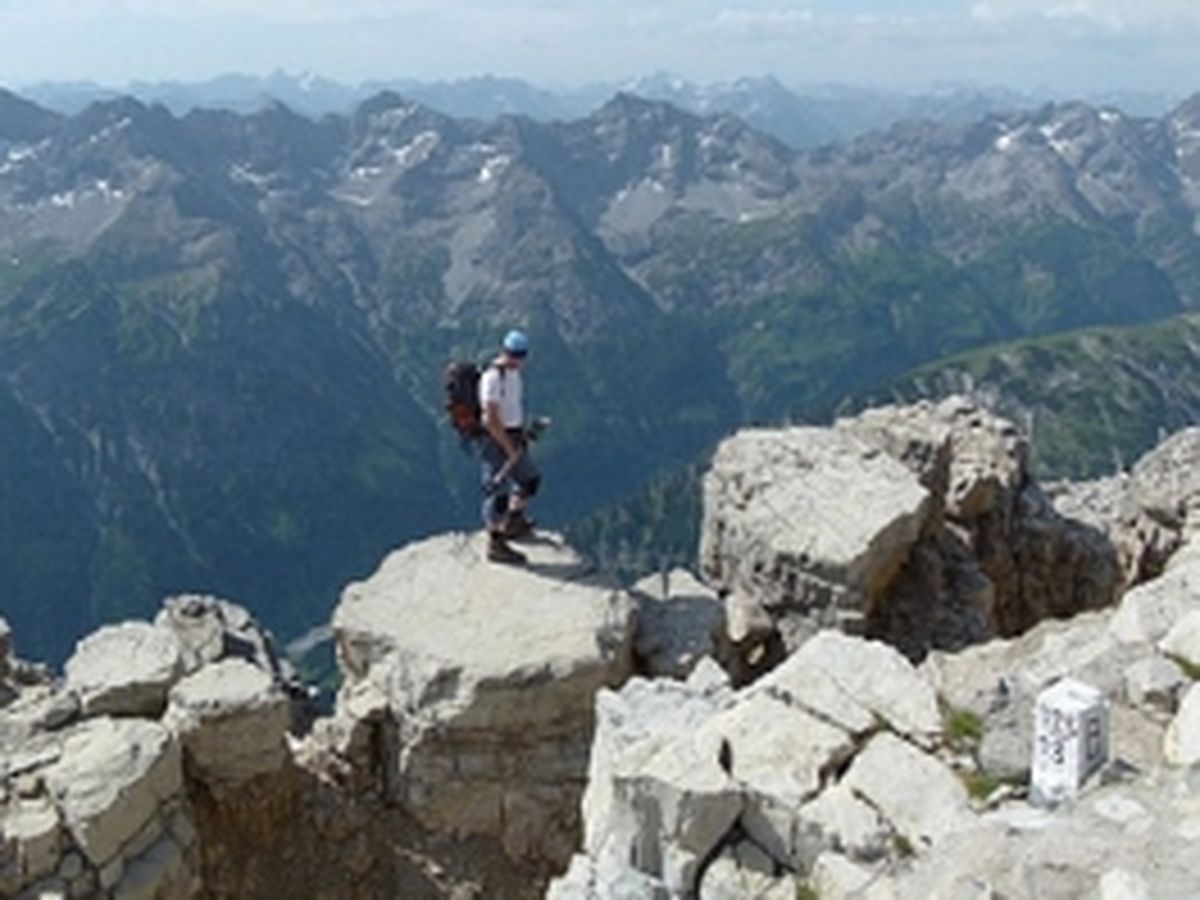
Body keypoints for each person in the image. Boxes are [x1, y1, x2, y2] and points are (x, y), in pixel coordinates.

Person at [479, 329, 541, 564]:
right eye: (516, 356)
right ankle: (495, 544)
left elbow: (511, 408)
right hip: (495, 439)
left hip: (514, 434)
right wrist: (508, 447)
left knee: (529, 479)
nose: (519, 361)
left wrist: (522, 434)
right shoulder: (493, 378)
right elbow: (492, 419)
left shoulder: (513, 374)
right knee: (497, 493)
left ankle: (514, 521)